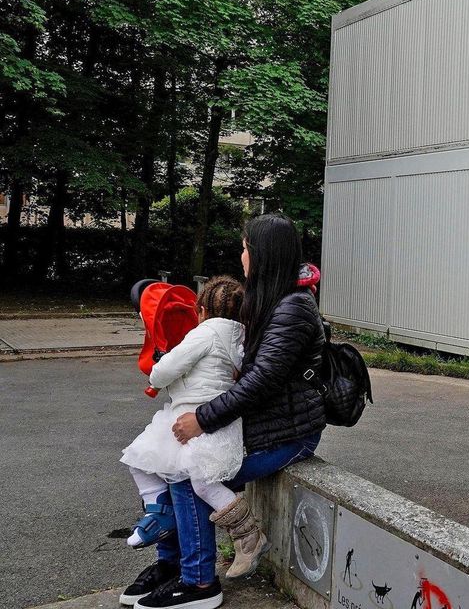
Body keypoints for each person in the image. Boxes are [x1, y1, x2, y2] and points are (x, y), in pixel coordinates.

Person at [122, 214, 327, 609]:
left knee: (185, 472)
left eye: (247, 248)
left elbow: (260, 382)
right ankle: (172, 566)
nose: (242, 255)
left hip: (290, 434)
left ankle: (199, 584)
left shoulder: (293, 308)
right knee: (167, 461)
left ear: (263, 254)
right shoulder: (269, 300)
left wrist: (201, 419)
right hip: (261, 425)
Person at [120, 276, 247, 553]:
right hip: (219, 418)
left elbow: (167, 369)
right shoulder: (241, 335)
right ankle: (243, 531)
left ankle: (160, 511)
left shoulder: (204, 333)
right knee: (200, 481)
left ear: (201, 311)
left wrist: (155, 374)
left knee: (140, 458)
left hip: (193, 417)